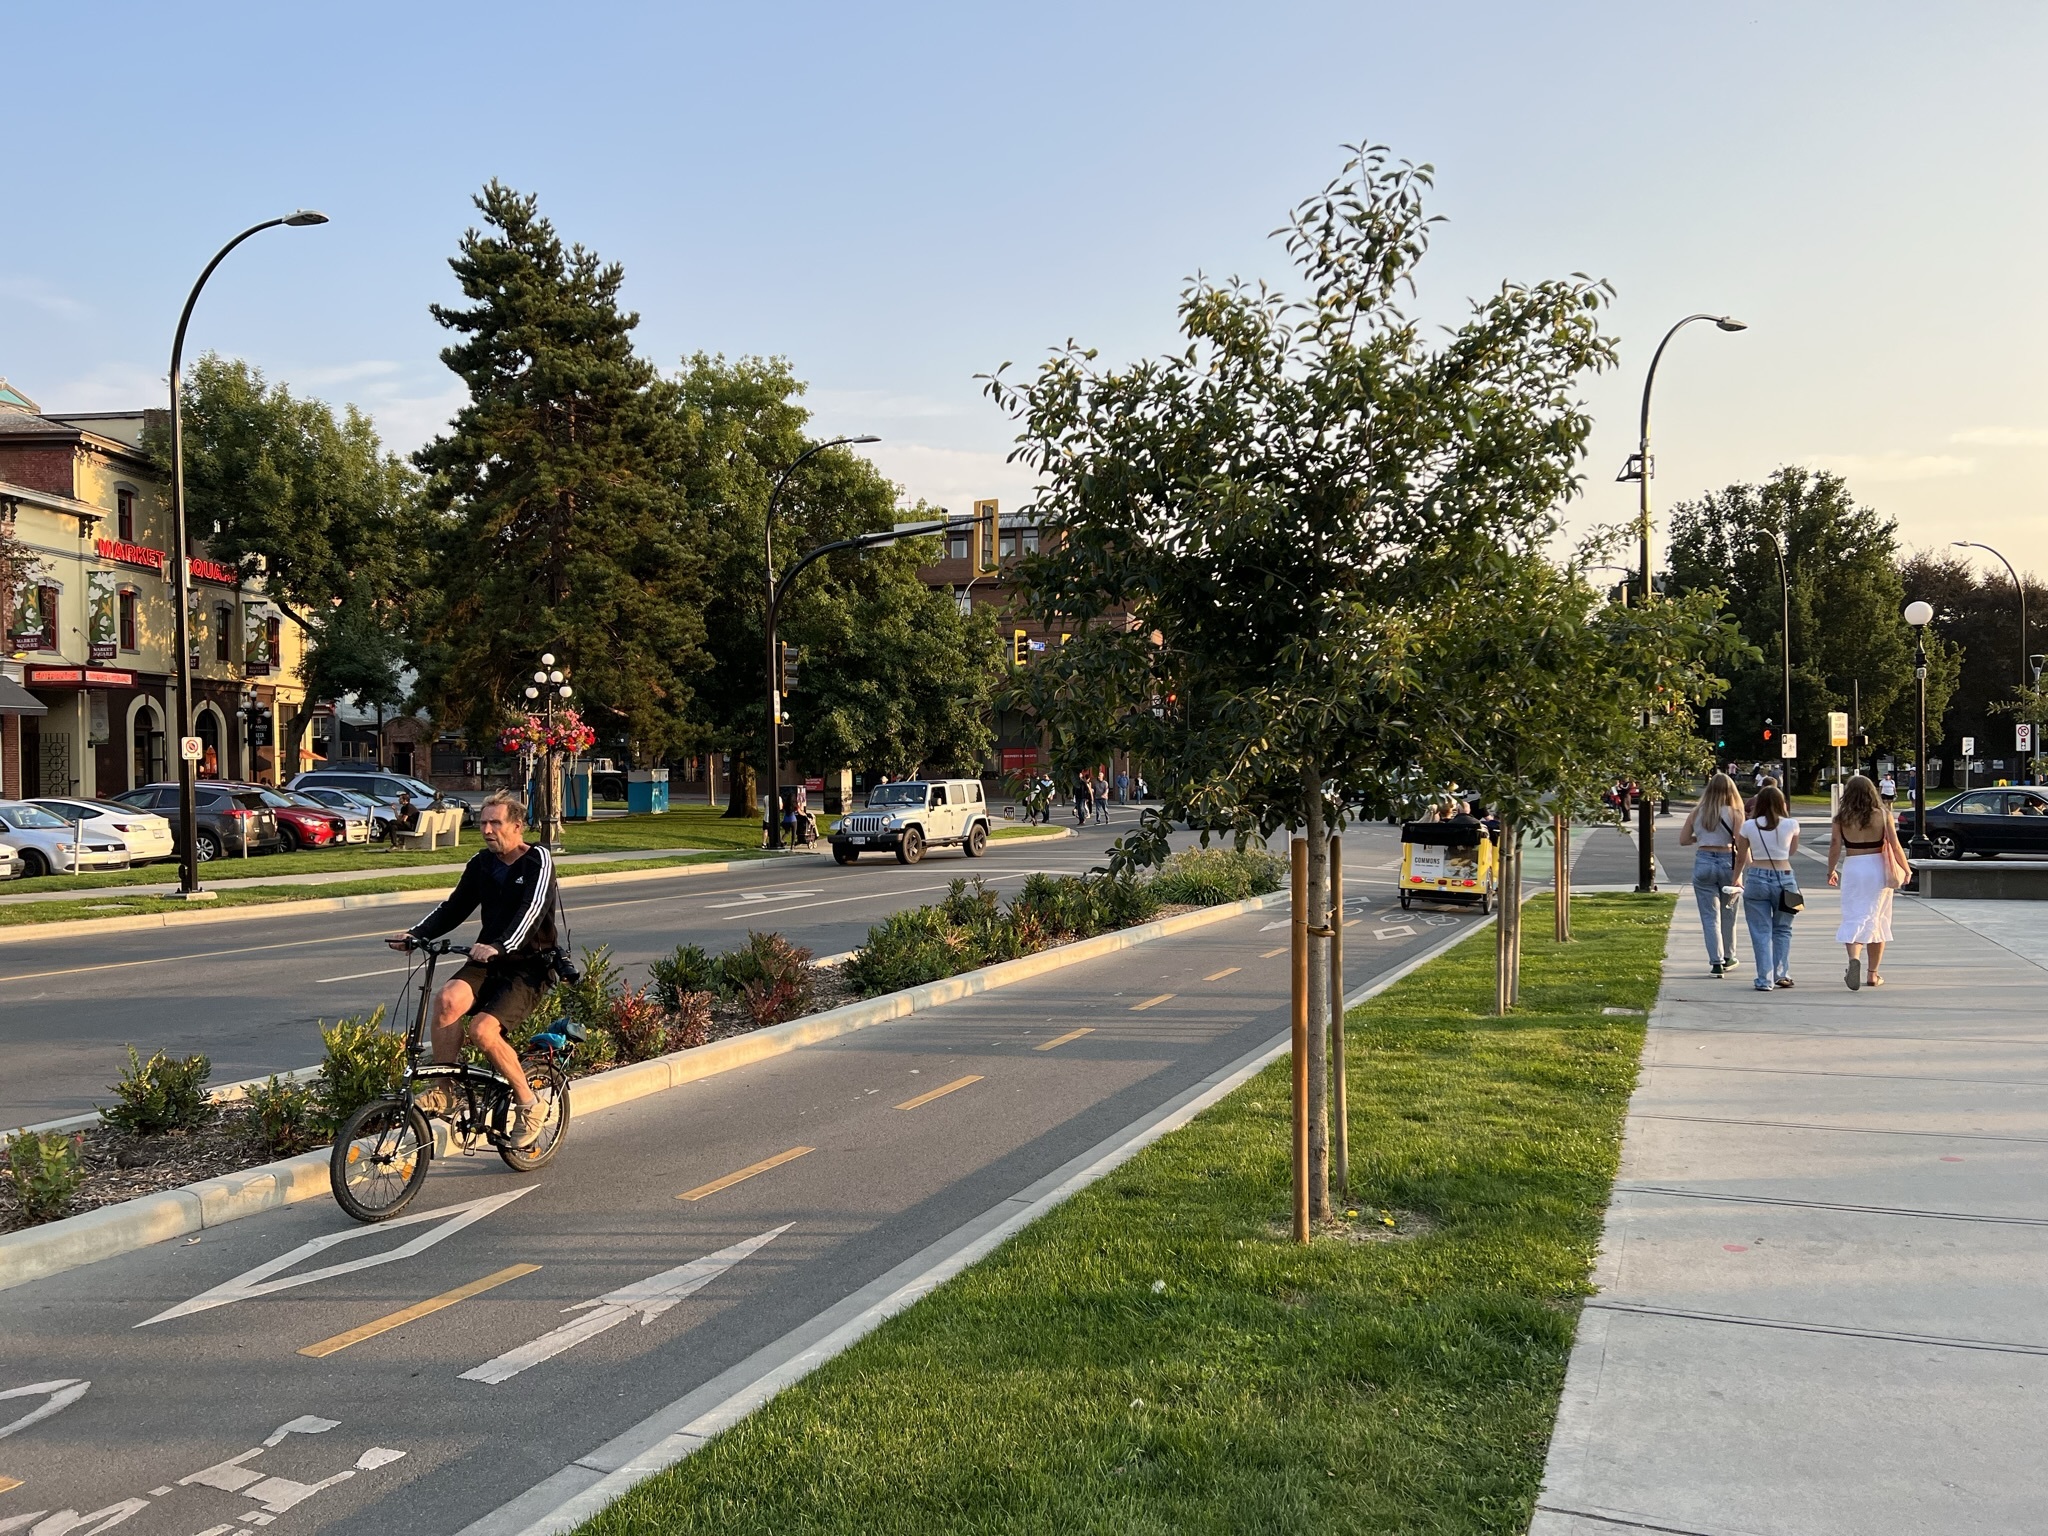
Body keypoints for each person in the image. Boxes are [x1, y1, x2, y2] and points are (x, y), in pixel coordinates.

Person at [387, 790, 556, 1146]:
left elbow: (532, 911)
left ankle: (529, 1103)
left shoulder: (537, 860)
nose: (487, 830)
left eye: (496, 823)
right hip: (486, 959)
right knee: (447, 1000)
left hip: (527, 966)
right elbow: (454, 907)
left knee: (483, 1030)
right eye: (483, 823)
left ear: (517, 825)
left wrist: (500, 945)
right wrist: (415, 935)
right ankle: (444, 1091)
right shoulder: (481, 864)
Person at [1828, 774, 1908, 990]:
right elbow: (1895, 844)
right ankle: (1873, 973)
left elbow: (1835, 844)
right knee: (1878, 917)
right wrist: (1906, 869)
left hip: (1854, 866)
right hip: (1877, 867)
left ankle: (1854, 958)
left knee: (1854, 914)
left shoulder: (1841, 818)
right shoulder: (1883, 814)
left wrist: (1831, 869)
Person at [1733, 783, 1801, 992]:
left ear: (1758, 804)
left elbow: (1741, 856)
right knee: (1783, 929)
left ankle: (1764, 979)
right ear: (1782, 804)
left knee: (1761, 931)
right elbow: (1792, 852)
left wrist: (1736, 878)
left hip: (1756, 876)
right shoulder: (1792, 824)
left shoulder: (1748, 826)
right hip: (1786, 878)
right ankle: (1782, 973)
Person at [1680, 772, 1745, 977]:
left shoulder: (1697, 812)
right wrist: (1740, 872)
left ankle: (1715, 962)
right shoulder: (1735, 813)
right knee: (1729, 914)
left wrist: (1701, 838)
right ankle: (1729, 956)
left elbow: (1683, 839)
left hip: (1704, 860)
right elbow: (1740, 842)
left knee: (1709, 917)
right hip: (1727, 861)